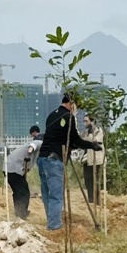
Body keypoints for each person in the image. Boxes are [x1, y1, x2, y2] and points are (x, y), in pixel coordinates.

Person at [38, 92, 97, 231]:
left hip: (42, 158)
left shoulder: (52, 115)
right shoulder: (68, 117)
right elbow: (74, 139)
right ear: (71, 104)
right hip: (54, 158)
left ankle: (51, 222)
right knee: (56, 195)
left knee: (47, 193)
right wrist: (91, 145)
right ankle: (54, 226)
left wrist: (72, 145)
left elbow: (62, 137)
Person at [4, 125, 39, 221]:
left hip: (10, 169)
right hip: (13, 170)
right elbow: (31, 148)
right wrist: (29, 154)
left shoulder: (34, 142)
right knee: (24, 192)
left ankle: (19, 212)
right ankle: (21, 213)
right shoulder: (39, 142)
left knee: (19, 191)